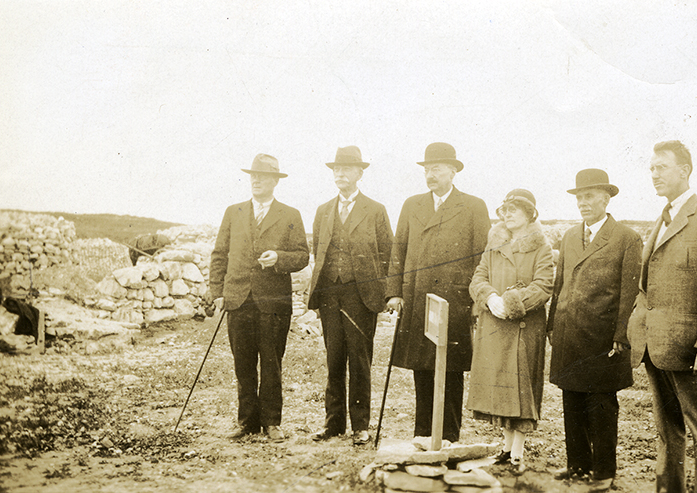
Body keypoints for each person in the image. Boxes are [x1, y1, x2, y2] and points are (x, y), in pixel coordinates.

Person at [628, 141, 697, 493]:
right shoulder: (661, 219)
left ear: (685, 170)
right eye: (651, 168)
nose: (654, 174)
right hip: (655, 346)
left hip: (690, 350)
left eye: (661, 167)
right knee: (667, 432)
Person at [385, 142, 491, 443]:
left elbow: (482, 256)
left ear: (453, 172)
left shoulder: (473, 206)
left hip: (454, 300)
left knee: (450, 369)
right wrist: (394, 292)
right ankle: (422, 435)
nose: (430, 175)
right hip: (418, 297)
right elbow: (398, 249)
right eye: (427, 170)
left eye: (437, 169)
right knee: (422, 366)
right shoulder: (412, 205)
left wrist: (476, 300)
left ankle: (449, 437)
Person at [547, 169, 642, 492]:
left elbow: (629, 293)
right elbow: (560, 285)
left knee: (601, 404)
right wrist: (552, 324)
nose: (583, 203)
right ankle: (577, 464)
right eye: (579, 198)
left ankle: (603, 470)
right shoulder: (570, 236)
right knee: (571, 398)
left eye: (589, 197)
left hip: (602, 336)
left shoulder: (626, 238)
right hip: (568, 332)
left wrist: (621, 335)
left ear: (606, 199)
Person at [210, 154, 310, 441]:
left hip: (273, 303)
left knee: (271, 363)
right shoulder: (234, 212)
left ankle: (271, 422)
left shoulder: (290, 215)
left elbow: (302, 256)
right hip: (238, 299)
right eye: (253, 175)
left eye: (263, 176)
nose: (256, 180)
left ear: (275, 181)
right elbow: (219, 254)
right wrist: (218, 292)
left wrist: (278, 258)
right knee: (243, 364)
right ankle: (246, 422)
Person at [308, 146, 394, 446]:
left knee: (359, 360)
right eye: (336, 169)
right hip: (330, 295)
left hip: (362, 297)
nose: (340, 173)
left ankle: (360, 426)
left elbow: (388, 253)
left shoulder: (375, 210)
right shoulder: (323, 211)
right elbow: (317, 251)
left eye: (346, 168)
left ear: (360, 173)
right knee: (334, 360)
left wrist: (382, 291)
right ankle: (333, 424)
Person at [467, 189, 554, 475]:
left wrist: (513, 303)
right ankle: (506, 448)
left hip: (523, 327)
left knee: (520, 390)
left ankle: (517, 452)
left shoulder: (541, 247)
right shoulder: (494, 243)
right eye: (505, 209)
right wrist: (490, 298)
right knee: (501, 389)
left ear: (530, 214)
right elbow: (478, 277)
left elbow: (544, 285)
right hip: (495, 324)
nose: (508, 214)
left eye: (514, 209)